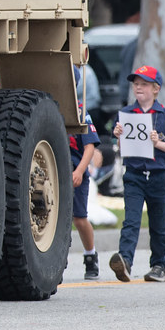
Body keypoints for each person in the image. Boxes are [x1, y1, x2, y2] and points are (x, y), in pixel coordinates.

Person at [109, 65, 165, 283]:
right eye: (136, 84)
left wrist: (157, 142)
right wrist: (118, 136)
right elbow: (123, 148)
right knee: (131, 220)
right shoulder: (126, 114)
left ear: (155, 89)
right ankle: (125, 261)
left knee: (158, 221)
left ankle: (159, 265)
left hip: (158, 175)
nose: (138, 88)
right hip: (134, 174)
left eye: (143, 84)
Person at [69, 108, 101, 279]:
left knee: (79, 218)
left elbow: (89, 147)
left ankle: (90, 255)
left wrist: (80, 171)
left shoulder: (79, 111)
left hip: (75, 170)